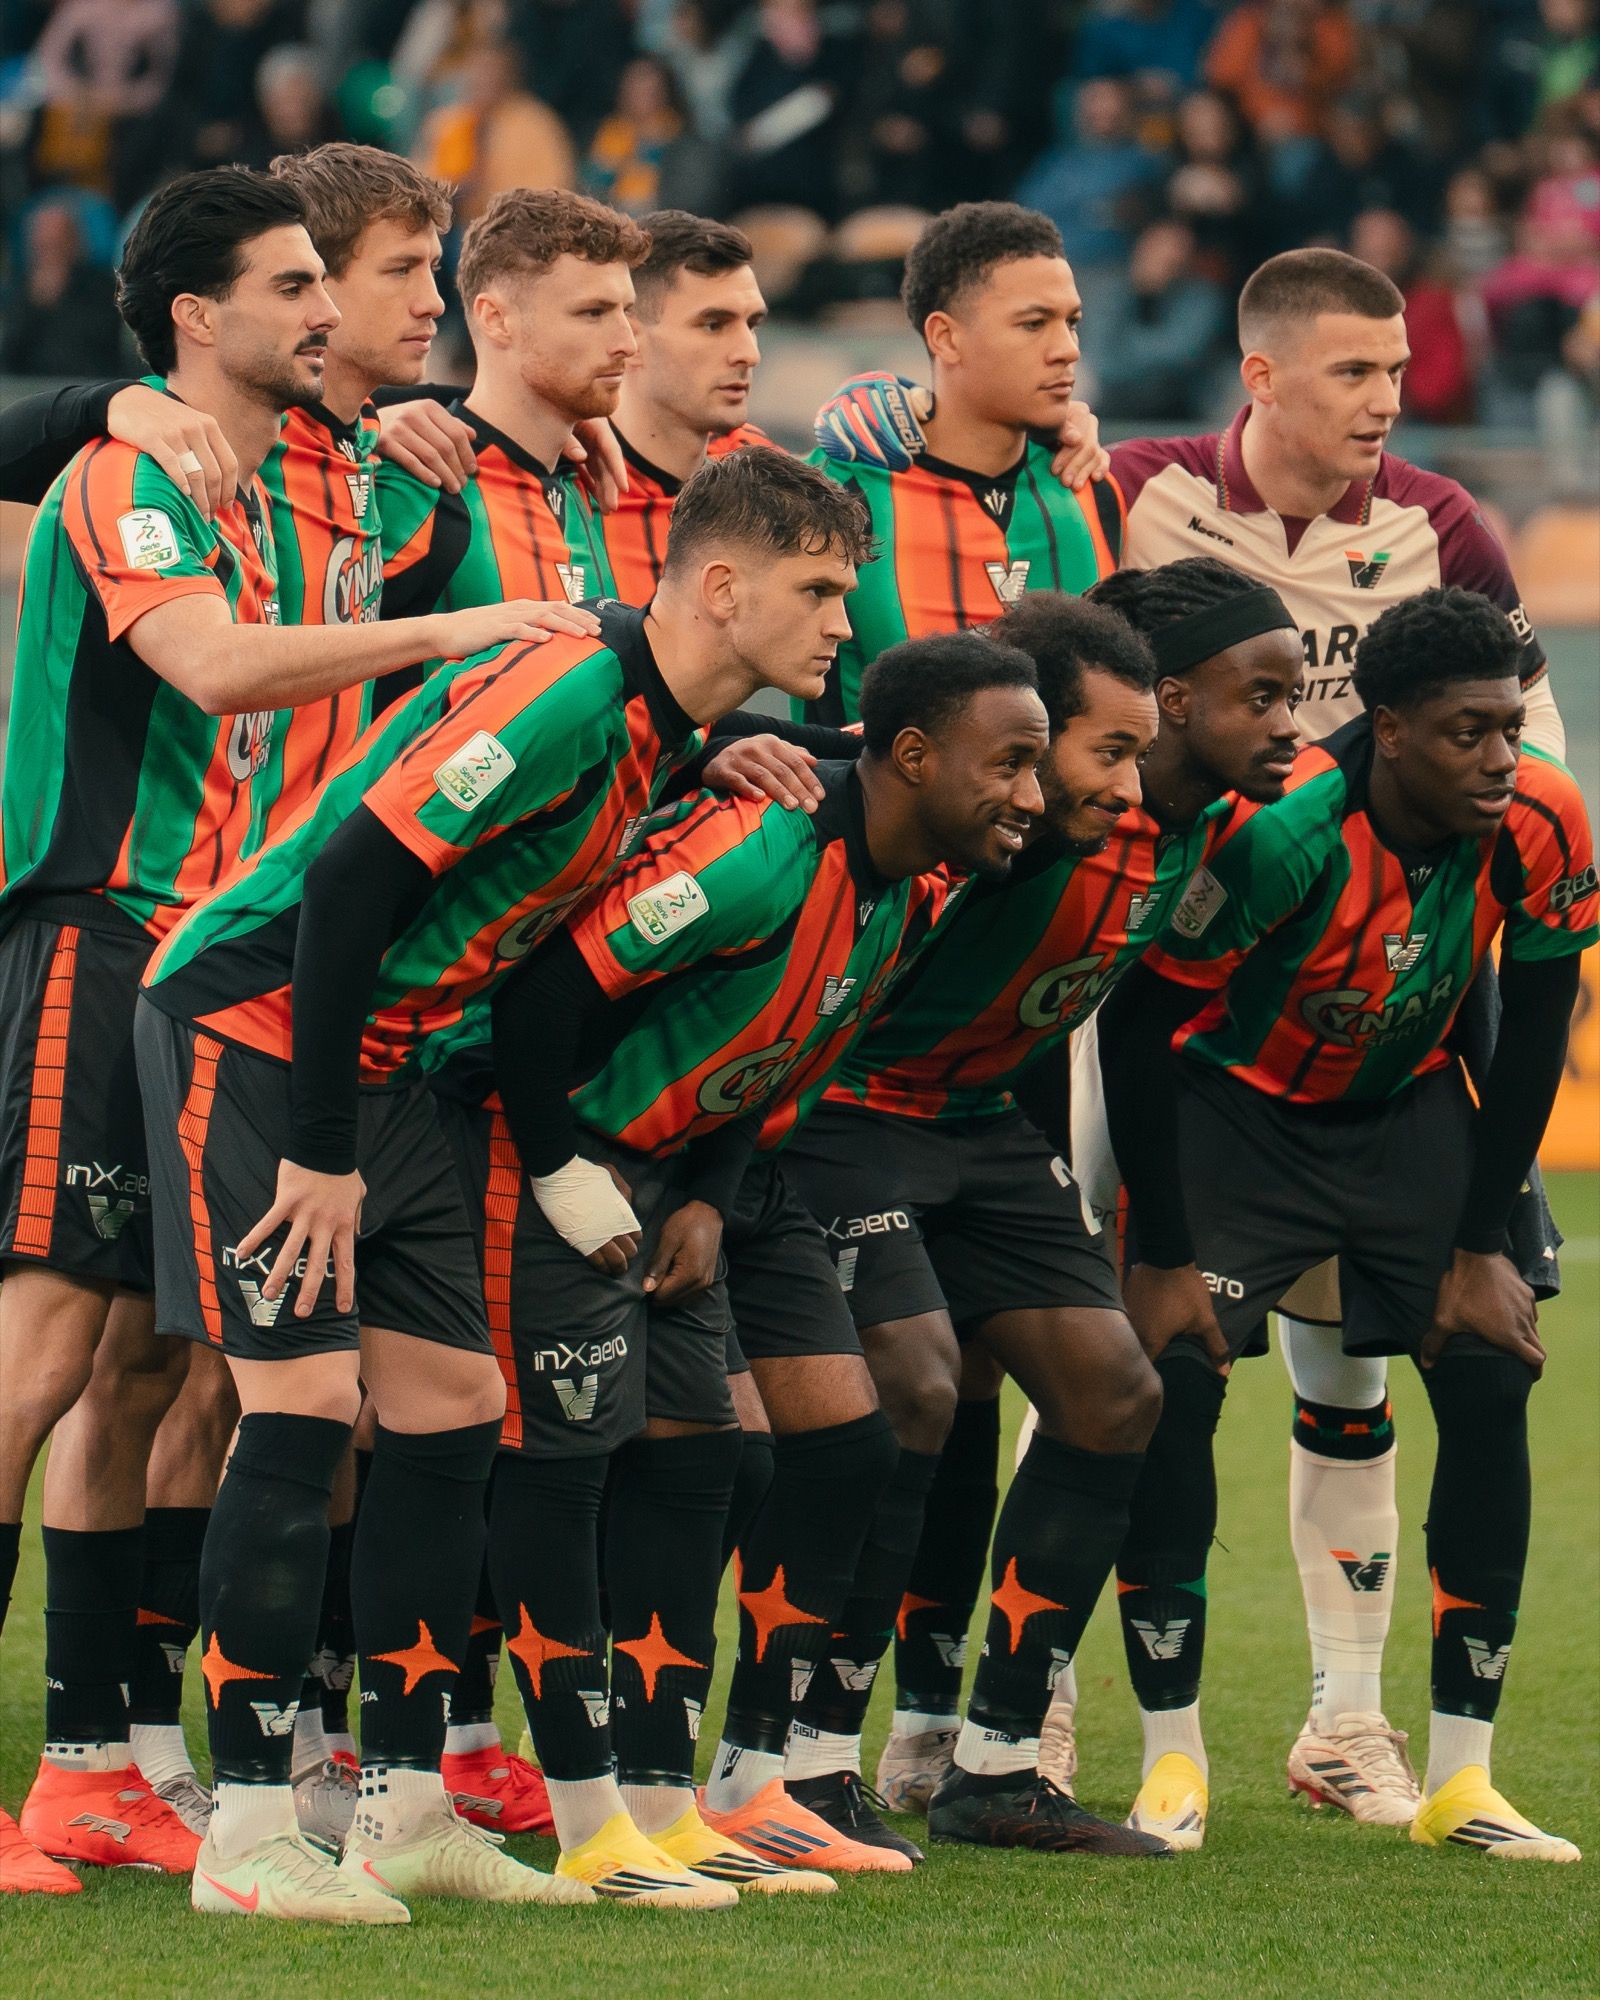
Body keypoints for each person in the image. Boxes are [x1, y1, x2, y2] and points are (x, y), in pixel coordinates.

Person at [813, 244, 1568, 1822]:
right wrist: (885, 406)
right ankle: (939, 1730)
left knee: (1327, 1383)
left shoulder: (1446, 532)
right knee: (1012, 1379)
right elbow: (955, 456)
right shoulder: (1130, 495)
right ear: (1262, 375)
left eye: (1399, 368)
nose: (1386, 397)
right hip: (1127, 1064)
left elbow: (1504, 811)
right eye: (1353, 368)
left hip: (1377, 1025)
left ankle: (1332, 1725)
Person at [130, 444, 871, 1924]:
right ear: (725, 587)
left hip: (394, 1063)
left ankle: (406, 1811)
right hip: (260, 1030)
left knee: (456, 1407)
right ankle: (248, 1835)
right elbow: (350, 883)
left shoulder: (656, 716)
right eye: (820, 590)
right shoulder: (568, 688)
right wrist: (321, 1146)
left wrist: (720, 747)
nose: (843, 622)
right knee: (299, 1407)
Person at [0, 166, 557, 1902]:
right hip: (103, 925)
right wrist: (463, 623)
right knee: (36, 1358)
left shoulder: (349, 478)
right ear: (197, 316)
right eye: (302, 283)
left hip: (223, 968)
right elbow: (220, 669)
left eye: (345, 279)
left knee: (159, 1366)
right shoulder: (131, 473)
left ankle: (100, 1764)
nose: (338, 310)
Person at [483, 627, 1053, 1881]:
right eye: (1012, 763)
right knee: (550, 1464)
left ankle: (707, 1789)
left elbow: (784, 1045)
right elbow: (540, 1001)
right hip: (557, 1154)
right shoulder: (752, 851)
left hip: (697, 1166)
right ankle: (542, 1792)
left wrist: (707, 1194)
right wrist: (564, 1170)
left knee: (782, 1449)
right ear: (914, 757)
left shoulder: (916, 888)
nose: (1036, 794)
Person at [779, 568, 1302, 1854]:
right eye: (1099, 748)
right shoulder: (991, 819)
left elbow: (1131, 1019)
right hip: (846, 1108)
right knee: (915, 1387)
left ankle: (999, 1767)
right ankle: (805, 1762)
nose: (1289, 723)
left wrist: (1155, 1246)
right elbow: (848, 764)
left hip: (978, 1127)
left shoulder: (1206, 829)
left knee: (1116, 1392)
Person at [1100, 586, 1595, 1864]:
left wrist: (1481, 1245)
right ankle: (1170, 1758)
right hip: (1236, 1111)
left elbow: (1534, 1031)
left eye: (1509, 728)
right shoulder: (1279, 831)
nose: (1500, 758)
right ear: (1387, 729)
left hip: (1404, 1105)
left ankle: (1463, 1777)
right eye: (1466, 733)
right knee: (1176, 1378)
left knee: (1489, 1369)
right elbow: (1139, 1025)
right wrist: (1161, 1253)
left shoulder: (1543, 814)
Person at [804, 201, 1123, 728]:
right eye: (1034, 324)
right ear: (945, 337)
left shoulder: (1092, 484)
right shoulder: (841, 493)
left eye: (1072, 323)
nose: (1067, 349)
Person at [374, 188, 643, 690]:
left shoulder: (585, 479)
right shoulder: (417, 479)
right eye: (593, 313)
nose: (626, 342)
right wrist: (369, 421)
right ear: (496, 318)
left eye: (627, 311)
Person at [596, 210, 771, 604]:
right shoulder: (565, 488)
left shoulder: (761, 467)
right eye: (714, 325)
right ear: (630, 340)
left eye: (752, 324)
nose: (749, 353)